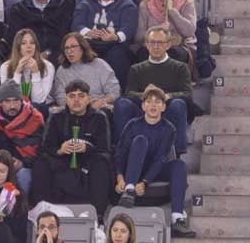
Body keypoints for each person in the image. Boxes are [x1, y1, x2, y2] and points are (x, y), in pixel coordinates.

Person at [113, 84, 194, 235]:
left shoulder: (169, 129)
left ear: (163, 107)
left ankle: (177, 218)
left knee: (179, 165)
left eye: (158, 102)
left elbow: (161, 159)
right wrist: (119, 176)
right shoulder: (133, 125)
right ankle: (129, 191)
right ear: (143, 106)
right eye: (149, 101)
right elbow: (120, 153)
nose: (153, 105)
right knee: (140, 140)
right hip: (133, 167)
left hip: (154, 170)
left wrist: (145, 182)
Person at [32, 79, 112, 216]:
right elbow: (45, 147)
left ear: (88, 99)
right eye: (71, 96)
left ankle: (97, 215)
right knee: (41, 163)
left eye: (81, 96)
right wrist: (60, 150)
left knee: (103, 163)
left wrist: (87, 148)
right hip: (63, 163)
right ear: (66, 99)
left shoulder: (99, 117)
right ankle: (42, 213)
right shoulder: (56, 117)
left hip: (87, 165)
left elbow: (104, 149)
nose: (76, 100)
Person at [71, 0, 138, 85]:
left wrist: (115, 37)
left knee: (117, 55)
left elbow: (129, 29)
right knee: (83, 52)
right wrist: (88, 32)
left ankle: (117, 93)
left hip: (115, 45)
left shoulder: (127, 5)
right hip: (91, 43)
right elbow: (76, 24)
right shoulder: (86, 3)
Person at [0, 82, 44, 196]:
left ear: (21, 101)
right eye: (7, 101)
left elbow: (41, 151)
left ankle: (20, 209)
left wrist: (22, 163)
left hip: (26, 166)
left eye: (16, 100)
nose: (12, 106)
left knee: (23, 175)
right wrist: (2, 164)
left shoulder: (34, 118)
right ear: (0, 103)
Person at [51, 32, 120, 111]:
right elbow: (60, 97)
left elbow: (114, 91)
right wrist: (79, 106)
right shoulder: (62, 70)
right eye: (66, 48)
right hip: (73, 109)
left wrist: (102, 101)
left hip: (98, 108)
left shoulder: (100, 64)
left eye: (73, 46)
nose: (69, 51)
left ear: (83, 48)